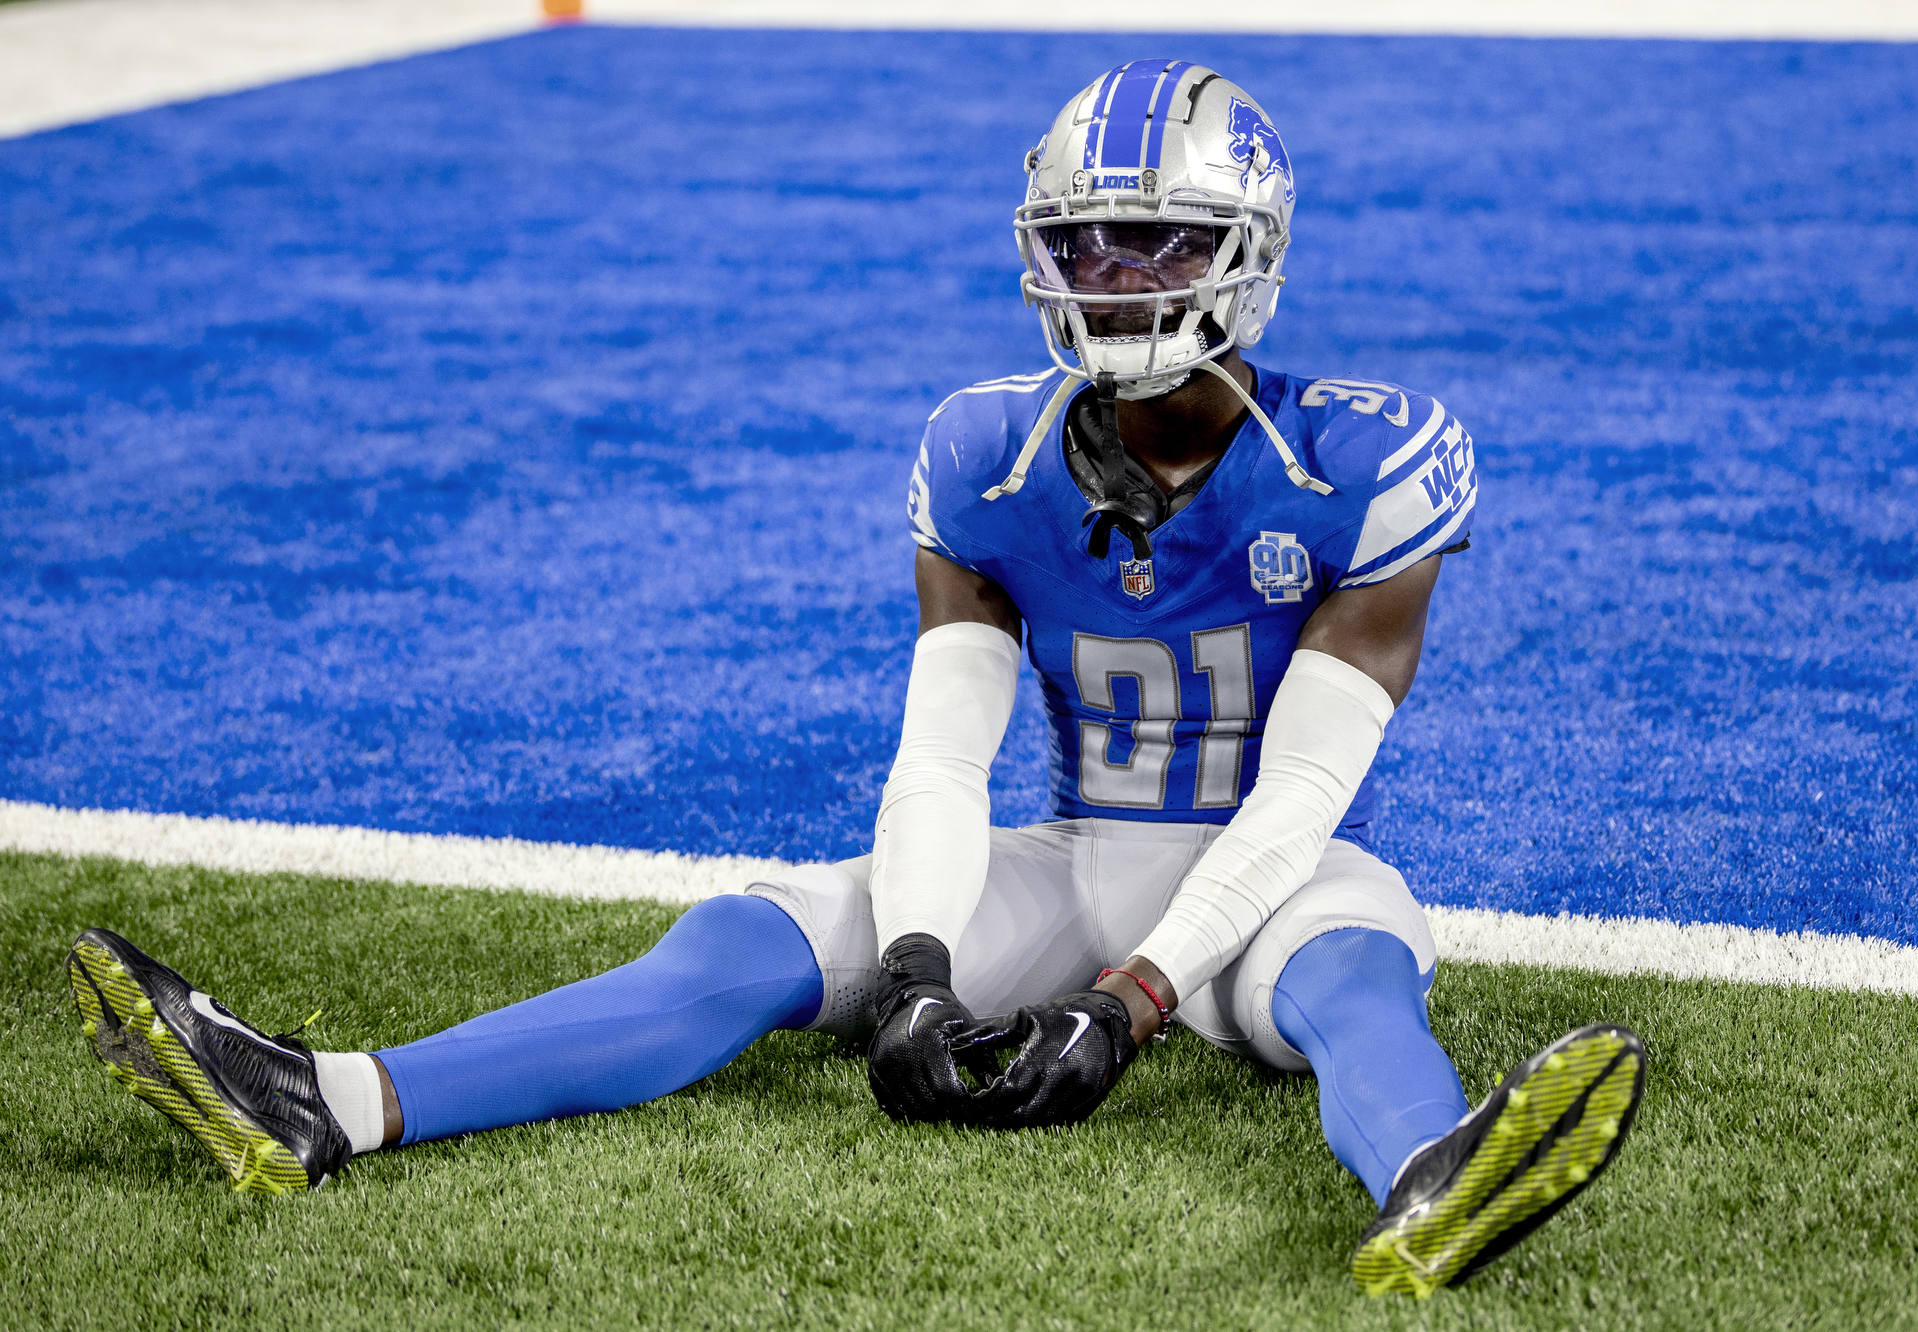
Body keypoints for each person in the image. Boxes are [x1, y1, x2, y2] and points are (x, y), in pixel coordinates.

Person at [66, 61, 1644, 1298]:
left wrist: (1137, 1003)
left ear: (1250, 253)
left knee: (1351, 977)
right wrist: (914, 965)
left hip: (1274, 877)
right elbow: (941, 764)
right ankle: (330, 1099)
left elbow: (1301, 793)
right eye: (1084, 240)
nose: (1113, 273)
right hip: (1075, 855)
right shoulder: (985, 451)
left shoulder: (1364, 459)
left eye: (1157, 238)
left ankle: (1432, 1176)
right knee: (744, 942)